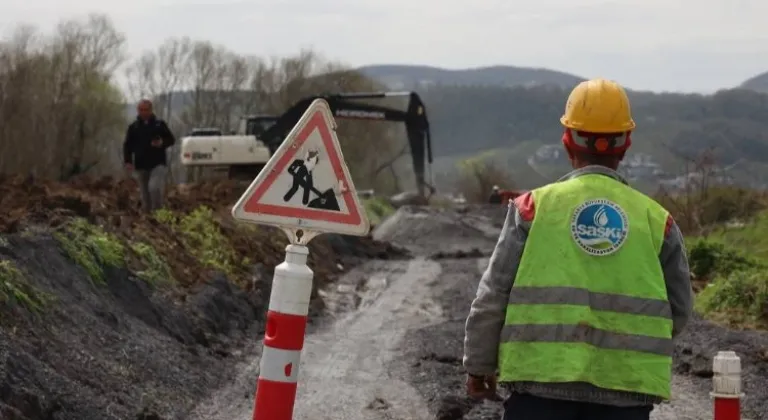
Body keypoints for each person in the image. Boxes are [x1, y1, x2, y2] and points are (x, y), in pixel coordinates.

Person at [463, 78, 693, 420]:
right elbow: (679, 309)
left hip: (539, 389)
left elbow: (494, 294)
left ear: (567, 140)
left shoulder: (532, 209)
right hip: (625, 395)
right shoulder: (656, 220)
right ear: (625, 144)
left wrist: (480, 365)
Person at [123, 99, 176, 213]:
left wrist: (161, 142)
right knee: (144, 193)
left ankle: (158, 212)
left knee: (154, 187)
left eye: (146, 110)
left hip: (158, 163)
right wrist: (128, 161)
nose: (144, 113)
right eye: (141, 110)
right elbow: (127, 145)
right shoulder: (134, 127)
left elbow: (171, 139)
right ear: (138, 111)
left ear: (151, 110)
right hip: (141, 164)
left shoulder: (159, 124)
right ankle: (148, 217)